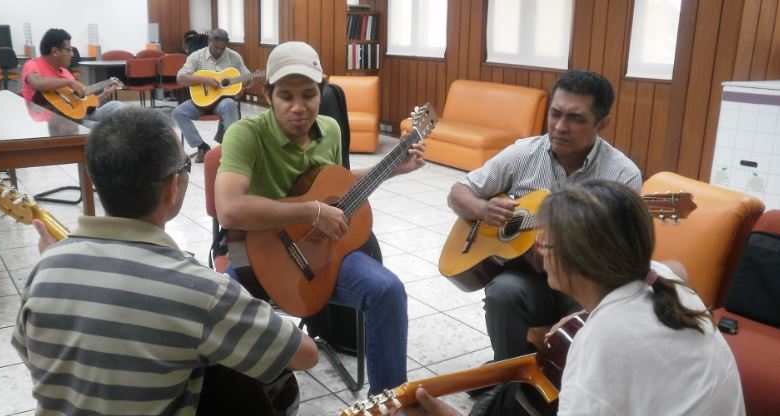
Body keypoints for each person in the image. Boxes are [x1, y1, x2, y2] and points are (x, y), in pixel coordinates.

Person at [12, 107, 318, 415]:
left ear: (97, 180)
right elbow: (305, 356)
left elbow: (32, 354)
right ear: (172, 186)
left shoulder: (46, 267)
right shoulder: (201, 291)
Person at [407, 180, 745, 416]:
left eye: (547, 242)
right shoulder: (666, 280)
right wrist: (584, 314)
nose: (537, 247)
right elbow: (677, 268)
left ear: (581, 260)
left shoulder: (601, 341)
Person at [214, 41, 426, 395]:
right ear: (267, 96)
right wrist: (311, 211)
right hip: (256, 255)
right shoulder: (244, 135)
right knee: (218, 309)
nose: (299, 107)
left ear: (322, 91)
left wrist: (389, 169)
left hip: (318, 256)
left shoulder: (330, 129)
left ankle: (388, 403)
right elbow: (230, 209)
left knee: (388, 291)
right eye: (286, 96)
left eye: (309, 95)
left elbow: (336, 188)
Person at [447, 70, 643, 369]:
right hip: (530, 280)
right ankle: (504, 379)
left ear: (602, 123)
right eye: (555, 114)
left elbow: (623, 255)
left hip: (585, 285)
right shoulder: (524, 153)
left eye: (575, 118)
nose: (560, 127)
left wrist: (564, 252)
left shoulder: (621, 175)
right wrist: (481, 210)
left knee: (603, 313)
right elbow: (459, 191)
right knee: (503, 291)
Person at [173, 29, 249, 163]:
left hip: (222, 102)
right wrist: (204, 79)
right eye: (216, 47)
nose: (219, 51)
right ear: (209, 41)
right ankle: (202, 147)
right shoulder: (196, 56)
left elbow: (246, 77)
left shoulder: (234, 57)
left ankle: (231, 148)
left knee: (230, 104)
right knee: (178, 113)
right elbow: (181, 78)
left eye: (222, 48)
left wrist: (243, 86)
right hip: (201, 101)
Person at [21, 28, 123, 128]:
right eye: (69, 50)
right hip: (57, 123)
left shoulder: (65, 72)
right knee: (104, 128)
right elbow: (36, 83)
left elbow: (79, 105)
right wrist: (69, 82)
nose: (72, 54)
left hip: (78, 117)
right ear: (55, 51)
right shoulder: (33, 65)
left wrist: (104, 94)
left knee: (116, 106)